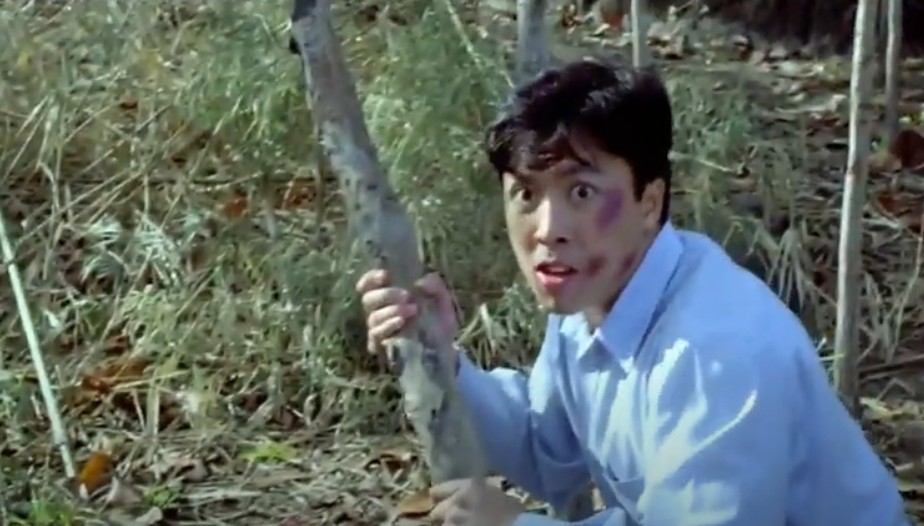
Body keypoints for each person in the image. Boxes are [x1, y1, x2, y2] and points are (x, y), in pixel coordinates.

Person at [355, 58, 910, 526]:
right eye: (525, 194)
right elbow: (546, 451)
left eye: (581, 192)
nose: (548, 230)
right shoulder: (590, 300)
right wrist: (442, 360)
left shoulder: (715, 352)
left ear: (650, 201)